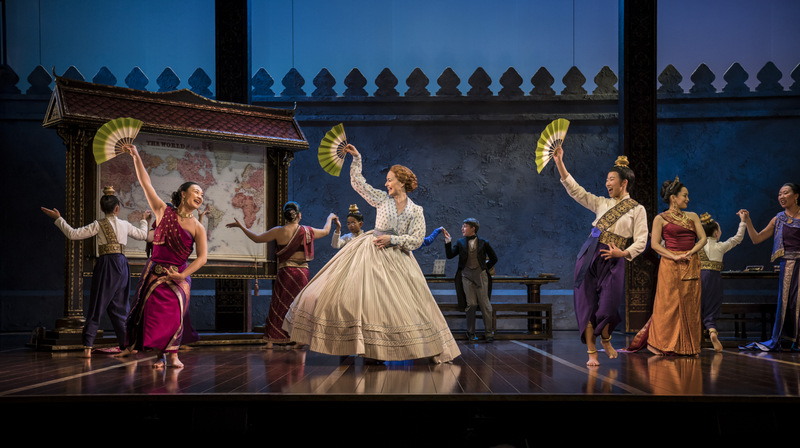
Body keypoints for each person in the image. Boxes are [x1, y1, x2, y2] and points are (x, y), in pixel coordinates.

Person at [283, 144, 460, 363]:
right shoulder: (382, 199)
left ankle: (400, 349)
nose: (386, 183)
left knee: (404, 306)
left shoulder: (416, 210)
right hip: (371, 252)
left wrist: (392, 239)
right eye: (386, 180)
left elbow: (415, 239)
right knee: (361, 300)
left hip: (398, 258)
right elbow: (359, 184)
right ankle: (357, 346)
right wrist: (356, 158)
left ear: (401, 182)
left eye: (389, 180)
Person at [553, 147, 648, 366]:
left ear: (624, 183)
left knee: (608, 306)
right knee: (585, 302)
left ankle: (605, 338)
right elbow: (577, 191)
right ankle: (591, 352)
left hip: (614, 257)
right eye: (606, 179)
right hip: (590, 252)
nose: (607, 183)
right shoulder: (601, 203)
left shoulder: (637, 209)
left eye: (611, 179)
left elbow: (642, 240)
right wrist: (559, 162)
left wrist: (622, 253)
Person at [118, 144, 208, 369]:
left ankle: (173, 355)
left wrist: (182, 275)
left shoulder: (198, 227)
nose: (200, 195)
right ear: (183, 194)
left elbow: (202, 258)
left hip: (178, 277)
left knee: (175, 317)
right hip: (155, 274)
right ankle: (159, 356)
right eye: (196, 191)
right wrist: (136, 156)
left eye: (202, 194)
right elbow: (145, 183)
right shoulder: (162, 211)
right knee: (153, 317)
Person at [41, 186, 150, 358]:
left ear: (101, 208)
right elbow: (143, 235)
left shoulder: (98, 224)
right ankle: (126, 344)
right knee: (120, 307)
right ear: (117, 209)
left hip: (106, 264)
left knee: (98, 304)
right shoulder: (125, 224)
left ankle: (88, 346)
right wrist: (144, 220)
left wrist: (58, 219)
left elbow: (73, 234)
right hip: (122, 265)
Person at [227, 202, 335, 348]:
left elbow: (256, 238)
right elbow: (326, 231)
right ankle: (299, 339)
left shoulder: (278, 231)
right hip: (302, 273)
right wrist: (330, 218)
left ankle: (270, 341)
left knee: (279, 303)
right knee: (299, 305)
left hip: (286, 272)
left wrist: (241, 226)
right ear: (299, 215)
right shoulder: (307, 231)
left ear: (285, 216)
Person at [627, 177, 707, 356]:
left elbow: (703, 239)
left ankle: (688, 346)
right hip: (669, 264)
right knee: (668, 304)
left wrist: (690, 252)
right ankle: (661, 344)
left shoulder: (693, 216)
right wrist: (674, 256)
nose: (688, 199)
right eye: (685, 195)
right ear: (673, 198)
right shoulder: (660, 219)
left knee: (690, 304)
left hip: (690, 262)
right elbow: (655, 245)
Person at [738, 182, 800, 352]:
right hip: (788, 266)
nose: (781, 196)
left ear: (796, 196)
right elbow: (756, 239)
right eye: (779, 194)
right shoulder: (778, 219)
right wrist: (748, 221)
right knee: (787, 304)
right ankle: (787, 340)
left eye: (785, 193)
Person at [444, 218, 498, 341]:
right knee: (471, 304)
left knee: (485, 305)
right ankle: (471, 332)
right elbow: (450, 255)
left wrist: (484, 268)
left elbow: (494, 258)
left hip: (480, 276)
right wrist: (448, 241)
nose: (462, 229)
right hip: (466, 275)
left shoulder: (484, 242)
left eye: (465, 226)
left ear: (473, 228)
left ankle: (489, 333)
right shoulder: (460, 242)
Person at [699, 211, 746, 351]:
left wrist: (662, 242)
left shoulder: (697, 247)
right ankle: (712, 330)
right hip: (714, 279)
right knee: (712, 307)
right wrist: (743, 221)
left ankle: (695, 337)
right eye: (719, 230)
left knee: (698, 307)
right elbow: (737, 238)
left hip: (699, 279)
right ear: (715, 233)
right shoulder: (720, 246)